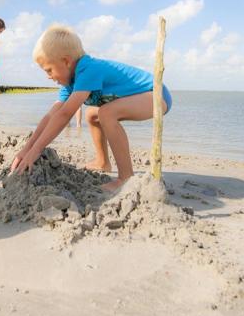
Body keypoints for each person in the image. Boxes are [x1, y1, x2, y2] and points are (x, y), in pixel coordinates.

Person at [10, 24, 172, 191]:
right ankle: (103, 162)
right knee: (92, 114)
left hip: (156, 94)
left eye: (49, 70)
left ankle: (125, 177)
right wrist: (26, 149)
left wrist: (36, 150)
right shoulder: (69, 83)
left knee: (107, 112)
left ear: (66, 61)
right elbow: (52, 115)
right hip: (144, 97)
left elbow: (65, 114)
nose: (48, 77)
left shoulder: (88, 69)